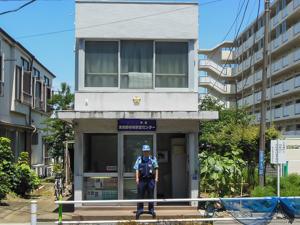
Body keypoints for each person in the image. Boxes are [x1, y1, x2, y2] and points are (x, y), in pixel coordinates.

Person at [133, 144, 159, 219]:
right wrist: (137, 178)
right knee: (140, 195)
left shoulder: (153, 158)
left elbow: (156, 168)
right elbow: (137, 169)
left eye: (147, 151)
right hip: (142, 180)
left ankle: (151, 210)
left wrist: (156, 177)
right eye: (144, 151)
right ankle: (140, 210)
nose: (146, 153)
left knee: (151, 195)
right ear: (143, 152)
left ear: (149, 151)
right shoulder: (139, 159)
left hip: (150, 180)